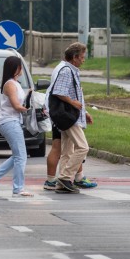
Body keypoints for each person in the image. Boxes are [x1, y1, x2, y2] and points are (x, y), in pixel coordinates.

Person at [43, 43, 98, 191]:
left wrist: (84, 111)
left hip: (69, 114)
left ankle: (62, 183)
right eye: (82, 57)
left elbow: (74, 92)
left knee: (67, 150)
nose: (83, 60)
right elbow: (59, 92)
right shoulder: (66, 70)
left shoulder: (68, 69)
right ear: (74, 57)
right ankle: (65, 177)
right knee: (83, 147)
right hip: (67, 115)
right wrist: (73, 103)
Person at [0, 55, 34, 197]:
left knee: (18, 155)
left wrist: (29, 96)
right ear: (16, 68)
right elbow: (17, 106)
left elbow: (19, 104)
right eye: (20, 66)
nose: (22, 69)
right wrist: (28, 109)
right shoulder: (10, 84)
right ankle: (18, 189)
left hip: (13, 121)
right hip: (9, 122)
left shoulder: (15, 83)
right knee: (21, 156)